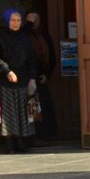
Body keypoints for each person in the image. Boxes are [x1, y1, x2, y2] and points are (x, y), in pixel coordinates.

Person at [0, 8, 39, 154]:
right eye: (12, 20)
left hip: (23, 79)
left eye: (18, 20)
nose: (16, 23)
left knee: (22, 112)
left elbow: (31, 58)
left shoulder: (24, 38)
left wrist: (32, 78)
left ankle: (21, 141)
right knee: (9, 113)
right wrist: (7, 71)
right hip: (5, 79)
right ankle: (10, 143)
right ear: (6, 21)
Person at [24, 11, 58, 142]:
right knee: (30, 108)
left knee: (43, 108)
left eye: (36, 19)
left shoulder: (44, 36)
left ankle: (45, 135)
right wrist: (28, 25)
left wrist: (47, 74)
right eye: (30, 20)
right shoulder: (24, 36)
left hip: (41, 78)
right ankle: (32, 137)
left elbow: (52, 57)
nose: (33, 22)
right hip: (26, 78)